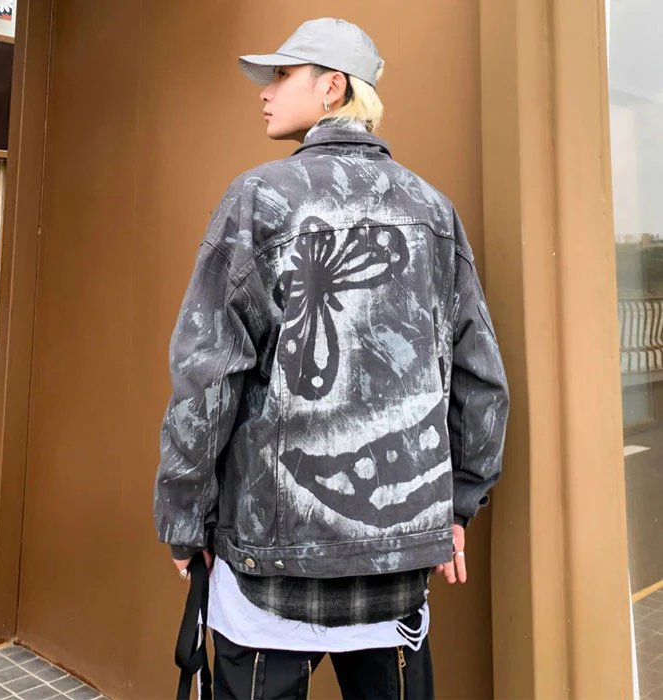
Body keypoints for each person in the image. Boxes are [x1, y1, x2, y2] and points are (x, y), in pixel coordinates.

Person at [154, 17, 509, 700]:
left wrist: (183, 519)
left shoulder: (258, 199)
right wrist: (456, 507)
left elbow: (206, 380)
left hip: (269, 570)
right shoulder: (434, 213)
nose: (265, 91)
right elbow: (480, 380)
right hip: (396, 569)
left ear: (333, 87)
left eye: (282, 75)